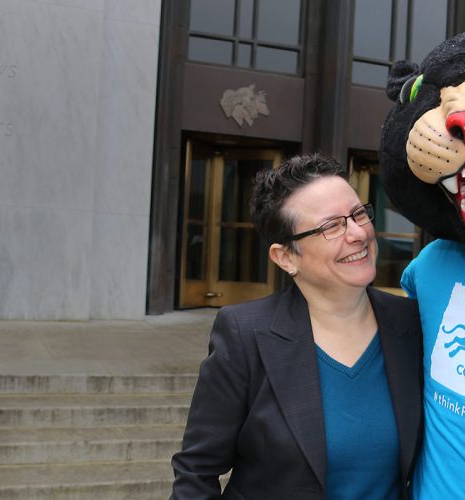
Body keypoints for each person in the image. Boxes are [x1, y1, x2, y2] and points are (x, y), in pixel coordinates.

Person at [170, 154, 423, 500]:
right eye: (330, 226)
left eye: (358, 213)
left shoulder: (412, 324)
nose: (357, 233)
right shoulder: (245, 334)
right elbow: (196, 472)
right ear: (285, 257)